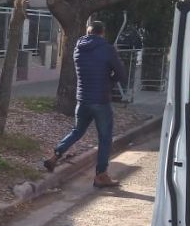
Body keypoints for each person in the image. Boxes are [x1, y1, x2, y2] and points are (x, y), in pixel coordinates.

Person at [43, 21, 127, 188]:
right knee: (104, 138)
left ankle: (55, 156)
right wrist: (109, 82)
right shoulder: (107, 49)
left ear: (89, 32)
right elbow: (121, 74)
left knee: (77, 130)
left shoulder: (78, 48)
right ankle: (101, 176)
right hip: (101, 100)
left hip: (82, 99)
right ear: (102, 32)